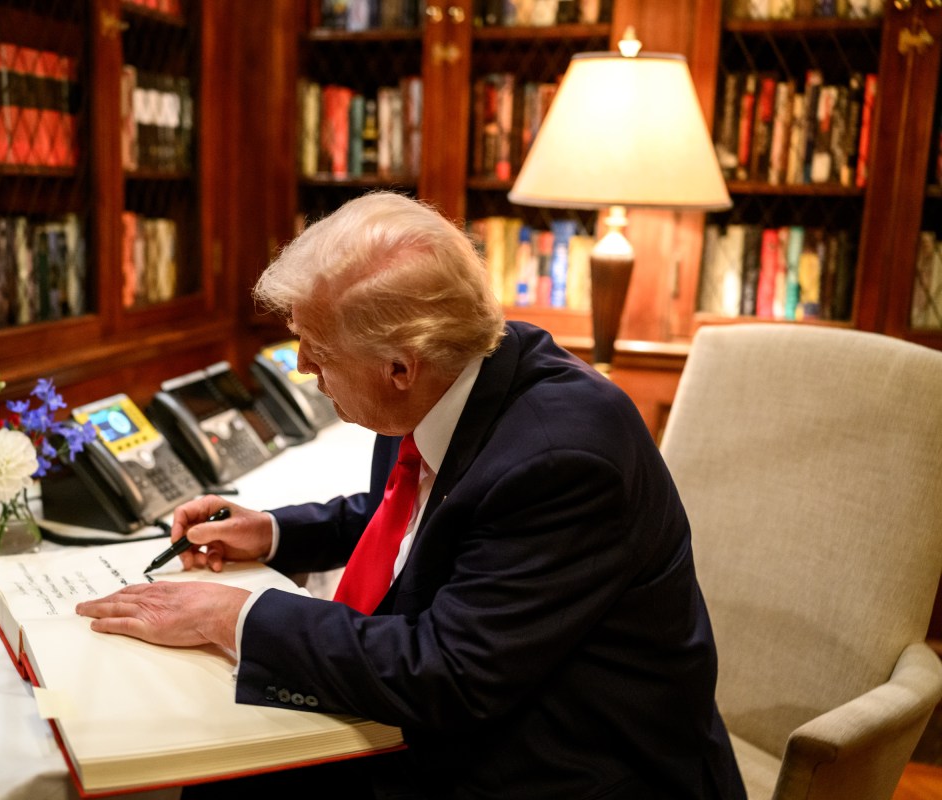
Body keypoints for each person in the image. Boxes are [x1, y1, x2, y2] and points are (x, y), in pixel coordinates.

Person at [75, 191, 746, 799]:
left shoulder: (562, 460)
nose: (303, 368)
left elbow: (449, 672)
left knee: (222, 778)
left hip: (572, 765)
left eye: (317, 350)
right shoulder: (451, 375)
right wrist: (276, 532)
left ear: (400, 366)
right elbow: (428, 518)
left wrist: (230, 618)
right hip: (494, 707)